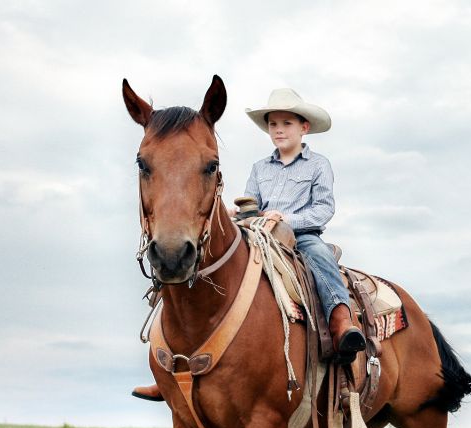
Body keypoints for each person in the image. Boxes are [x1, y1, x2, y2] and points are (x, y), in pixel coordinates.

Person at [132, 88, 364, 402]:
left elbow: (323, 208)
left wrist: (285, 217)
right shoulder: (260, 168)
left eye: (287, 123)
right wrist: (238, 213)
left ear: (304, 128)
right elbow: (250, 204)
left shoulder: (318, 165)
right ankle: (174, 365)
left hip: (300, 234)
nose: (279, 129)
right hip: (257, 231)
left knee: (320, 255)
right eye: (273, 124)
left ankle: (341, 320)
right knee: (211, 260)